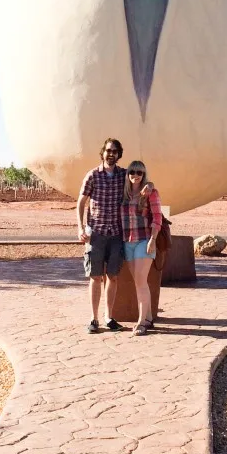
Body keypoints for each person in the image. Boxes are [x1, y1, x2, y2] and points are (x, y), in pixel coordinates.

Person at [77, 137, 153, 334]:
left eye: (115, 151)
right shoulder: (92, 175)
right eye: (108, 150)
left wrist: (150, 186)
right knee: (95, 276)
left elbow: (140, 178)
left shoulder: (122, 175)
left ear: (119, 155)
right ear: (103, 152)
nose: (111, 154)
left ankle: (108, 317)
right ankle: (93, 319)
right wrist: (80, 227)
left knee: (113, 276)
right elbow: (81, 202)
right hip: (97, 233)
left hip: (117, 234)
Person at [121, 160, 162, 336]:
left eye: (139, 173)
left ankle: (141, 322)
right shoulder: (124, 194)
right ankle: (149, 318)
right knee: (139, 281)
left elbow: (157, 217)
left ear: (144, 175)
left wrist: (153, 239)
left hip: (144, 240)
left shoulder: (151, 193)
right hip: (127, 241)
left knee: (140, 280)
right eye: (132, 172)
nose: (135, 175)